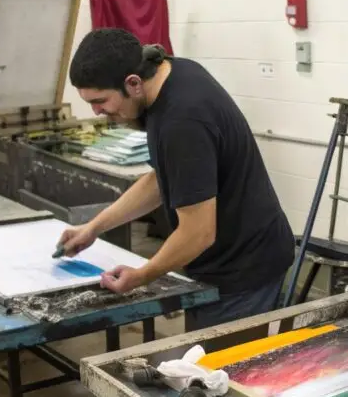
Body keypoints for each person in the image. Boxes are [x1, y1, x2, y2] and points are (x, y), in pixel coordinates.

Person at [58, 28, 294, 331]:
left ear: (133, 84)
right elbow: (161, 179)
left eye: (101, 101)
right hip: (228, 258)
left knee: (218, 373)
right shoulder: (175, 72)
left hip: (242, 269)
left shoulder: (181, 122)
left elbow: (199, 232)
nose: (98, 111)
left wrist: (144, 274)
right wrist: (94, 228)